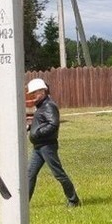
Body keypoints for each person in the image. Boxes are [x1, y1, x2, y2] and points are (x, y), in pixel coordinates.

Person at [25, 77, 80, 207]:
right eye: (32, 93)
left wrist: (37, 133)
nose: (33, 96)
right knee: (29, 174)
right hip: (38, 147)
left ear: (42, 92)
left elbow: (53, 124)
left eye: (35, 93)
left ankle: (73, 200)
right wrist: (30, 127)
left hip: (47, 146)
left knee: (58, 174)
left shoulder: (49, 105)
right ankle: (24, 204)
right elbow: (42, 122)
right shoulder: (41, 106)